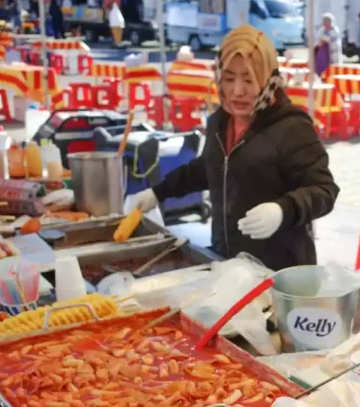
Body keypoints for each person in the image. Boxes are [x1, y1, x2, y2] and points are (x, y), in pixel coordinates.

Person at [125, 26, 339, 271]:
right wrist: (158, 192)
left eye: (249, 79)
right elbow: (209, 167)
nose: (238, 90)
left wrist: (283, 210)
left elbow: (324, 190)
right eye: (229, 78)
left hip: (280, 273)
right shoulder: (221, 120)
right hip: (227, 263)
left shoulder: (291, 127)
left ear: (268, 77)